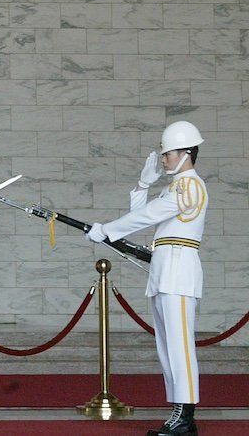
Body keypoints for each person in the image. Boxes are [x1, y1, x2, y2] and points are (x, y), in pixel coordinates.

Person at [87, 120, 206, 436]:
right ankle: (179, 412)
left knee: (180, 346)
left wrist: (107, 230)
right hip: (166, 269)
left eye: (167, 153)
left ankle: (185, 416)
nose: (163, 159)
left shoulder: (191, 185)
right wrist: (141, 186)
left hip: (179, 272)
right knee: (167, 346)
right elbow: (144, 213)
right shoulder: (176, 187)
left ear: (185, 154)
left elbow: (148, 217)